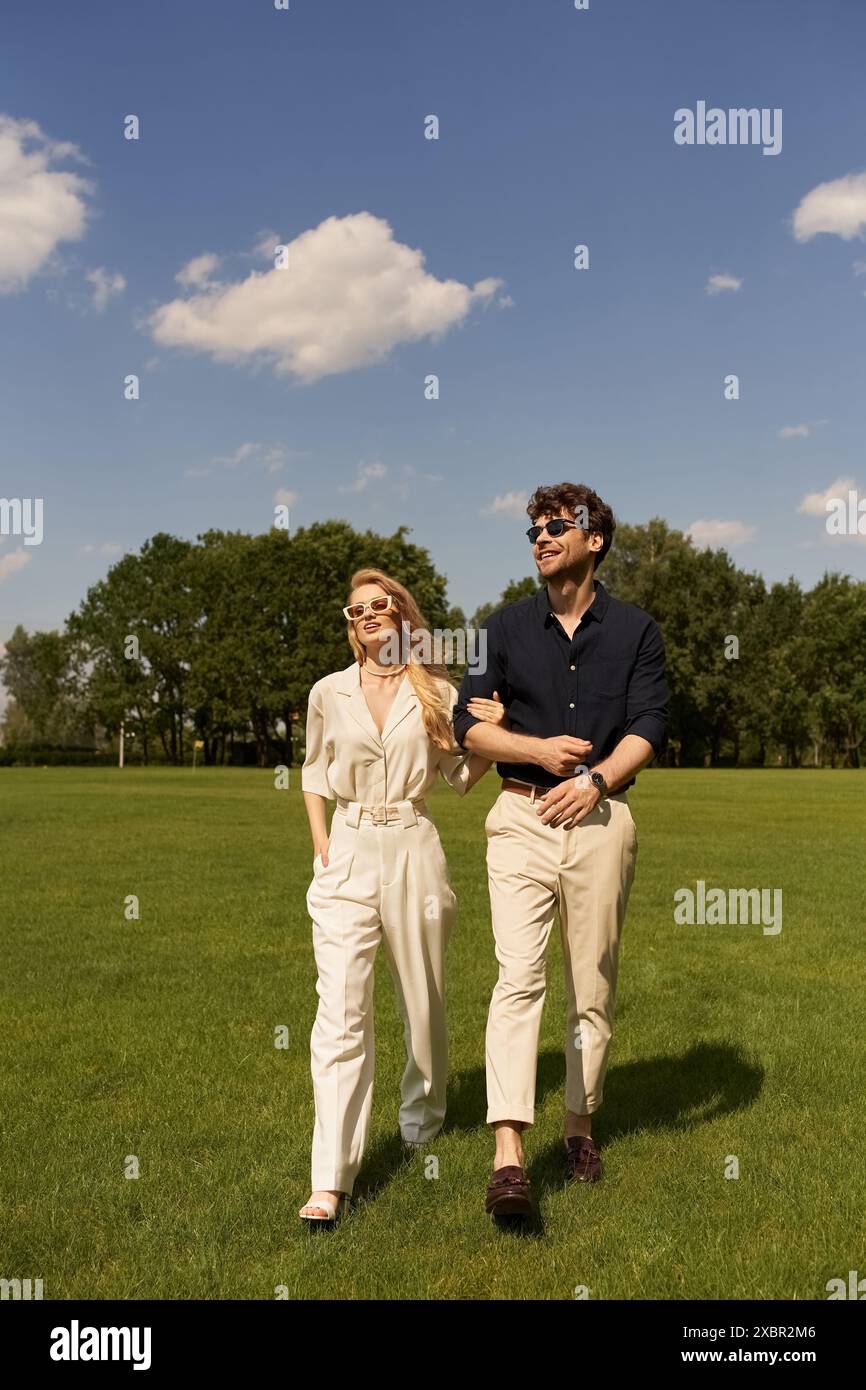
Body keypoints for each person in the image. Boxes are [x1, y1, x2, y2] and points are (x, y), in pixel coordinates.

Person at [452, 483, 669, 1217]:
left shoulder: (638, 630)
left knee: (592, 983)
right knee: (517, 978)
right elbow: (467, 728)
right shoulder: (501, 628)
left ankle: (579, 1126)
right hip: (519, 817)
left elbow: (649, 725)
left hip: (603, 822)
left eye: (555, 526)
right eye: (533, 530)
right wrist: (536, 751)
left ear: (594, 539)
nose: (541, 537)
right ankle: (508, 1152)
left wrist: (599, 782)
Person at [299, 567, 505, 1222]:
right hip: (349, 849)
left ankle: (423, 1118)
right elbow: (311, 770)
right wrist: (321, 845)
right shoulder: (329, 692)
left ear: (401, 614)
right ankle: (330, 1178)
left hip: (415, 844)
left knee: (424, 998)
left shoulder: (436, 692)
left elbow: (461, 777)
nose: (365, 616)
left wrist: (495, 737)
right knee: (340, 1010)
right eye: (354, 609)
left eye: (378, 605)